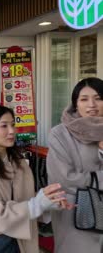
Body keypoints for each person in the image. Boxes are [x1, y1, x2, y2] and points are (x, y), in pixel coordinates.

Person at [0, 105, 71, 253]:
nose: (12, 131)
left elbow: (26, 199)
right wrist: (36, 204)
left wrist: (47, 204)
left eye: (13, 124)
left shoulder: (18, 162)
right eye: (4, 126)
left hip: (21, 242)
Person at [46, 77, 103, 253]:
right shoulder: (60, 134)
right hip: (77, 214)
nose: (92, 104)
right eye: (84, 99)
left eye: (99, 98)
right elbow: (63, 179)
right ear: (75, 104)